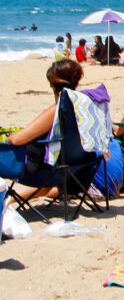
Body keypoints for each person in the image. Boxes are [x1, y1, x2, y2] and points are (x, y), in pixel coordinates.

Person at [4, 60, 85, 202]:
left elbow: (15, 140)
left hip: (41, 172)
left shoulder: (58, 110)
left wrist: (10, 137)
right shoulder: (80, 108)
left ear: (52, 84)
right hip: (73, 169)